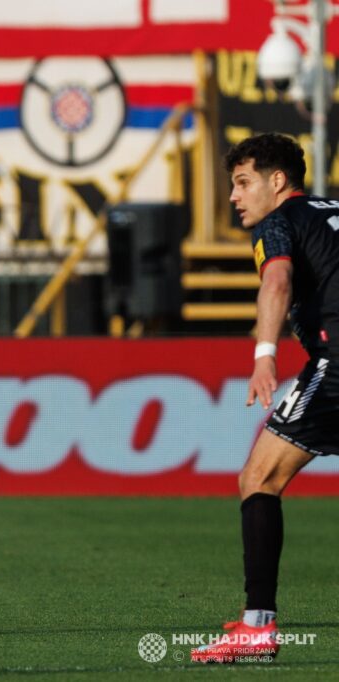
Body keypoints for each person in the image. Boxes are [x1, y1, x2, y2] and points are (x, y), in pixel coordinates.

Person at [192, 133, 339, 664]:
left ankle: (257, 628)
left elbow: (276, 282)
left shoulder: (280, 221)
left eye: (242, 182)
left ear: (277, 182)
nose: (234, 196)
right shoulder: (332, 211)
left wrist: (264, 355)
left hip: (337, 366)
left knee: (258, 478)